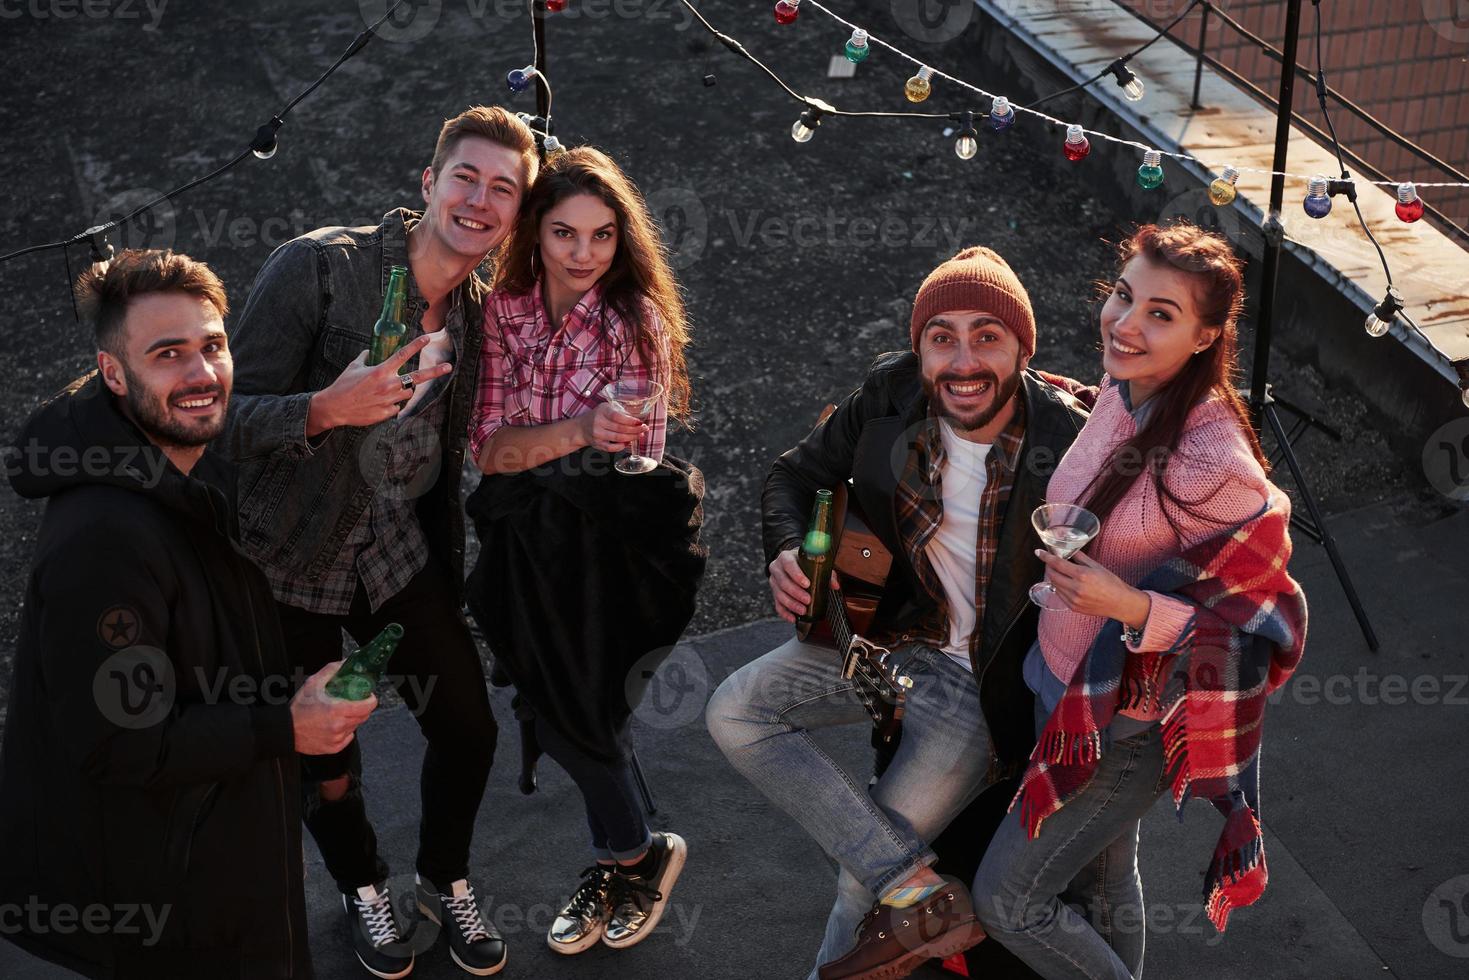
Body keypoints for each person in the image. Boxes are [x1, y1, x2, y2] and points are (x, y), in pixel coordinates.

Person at [706, 246, 1092, 980]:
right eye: (941, 337)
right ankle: (918, 889)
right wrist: (787, 552)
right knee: (732, 711)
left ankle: (851, 942)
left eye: (987, 335)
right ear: (919, 347)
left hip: (977, 686)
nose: (962, 359)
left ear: (1022, 347)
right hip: (885, 637)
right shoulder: (889, 395)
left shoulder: (1064, 441)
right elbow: (794, 473)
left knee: (859, 872)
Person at [218, 106, 538, 978]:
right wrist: (324, 408)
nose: (480, 199)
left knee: (468, 726)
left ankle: (444, 878)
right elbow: (212, 421)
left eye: (503, 188)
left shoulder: (478, 311)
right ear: (428, 182)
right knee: (327, 746)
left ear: (514, 215)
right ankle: (362, 887)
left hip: (394, 548)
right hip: (286, 554)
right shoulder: (321, 269)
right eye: (466, 177)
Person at [0, 249, 376, 979]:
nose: (202, 374)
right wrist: (287, 725)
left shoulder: (189, 468)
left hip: (227, 861)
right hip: (170, 909)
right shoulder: (103, 540)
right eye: (168, 354)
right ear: (114, 373)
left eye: (212, 346)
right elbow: (115, 743)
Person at [971, 222, 1308, 979]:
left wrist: (1127, 605)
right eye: (1122, 296)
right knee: (1100, 882)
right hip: (1065, 695)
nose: (1123, 324)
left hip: (1127, 729)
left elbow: (1250, 627)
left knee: (1008, 901)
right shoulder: (1127, 391)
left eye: (1159, 313)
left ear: (1204, 337)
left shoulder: (1214, 463)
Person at [465, 146, 705, 958]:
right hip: (519, 540)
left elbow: (637, 464)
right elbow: (486, 450)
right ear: (535, 233)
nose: (582, 253)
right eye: (564, 233)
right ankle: (635, 855)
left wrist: (566, 453)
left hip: (609, 545)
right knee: (555, 703)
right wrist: (574, 436)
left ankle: (627, 855)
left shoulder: (637, 320)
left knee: (582, 711)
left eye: (602, 236)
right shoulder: (501, 312)